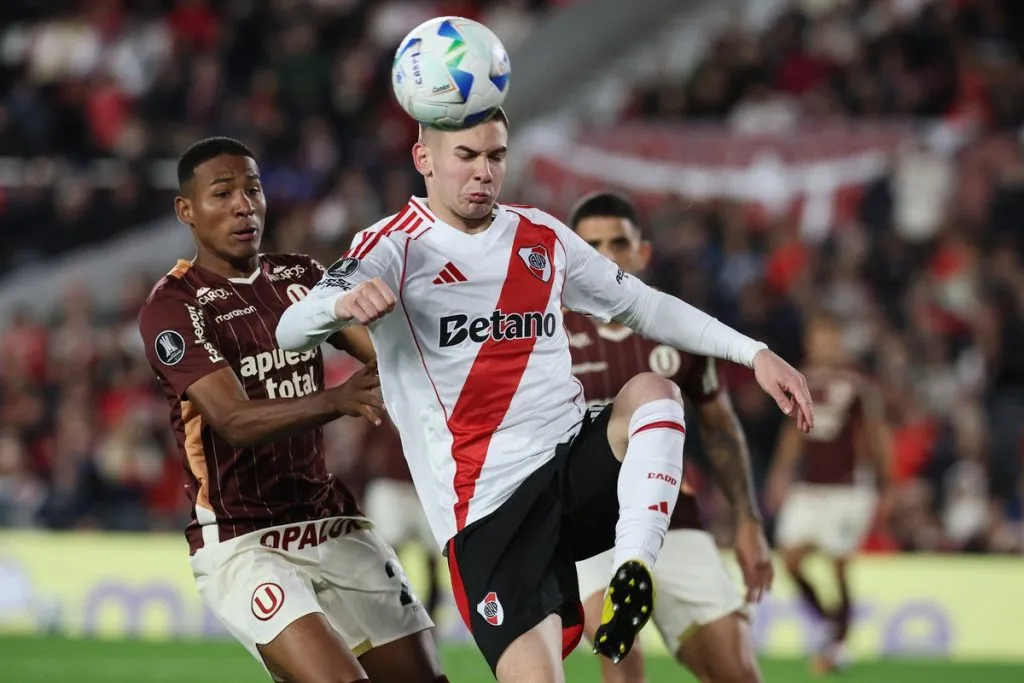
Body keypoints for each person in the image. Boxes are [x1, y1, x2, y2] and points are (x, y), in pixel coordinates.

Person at [276, 110, 813, 683]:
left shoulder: (542, 235)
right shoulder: (391, 246)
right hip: (488, 515)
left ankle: (632, 570)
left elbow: (644, 305)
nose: (484, 172)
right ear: (424, 159)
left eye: (496, 156)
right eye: (467, 156)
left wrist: (753, 352)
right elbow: (290, 329)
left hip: (569, 465)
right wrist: (338, 305)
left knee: (655, 393)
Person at [137, 137, 446, 683]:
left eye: (252, 189)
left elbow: (384, 356)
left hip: (330, 521)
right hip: (242, 540)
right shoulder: (173, 306)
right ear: (186, 210)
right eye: (223, 192)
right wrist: (336, 400)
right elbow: (231, 420)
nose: (243, 205)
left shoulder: (300, 275)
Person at [566, 191, 769, 683]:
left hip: (672, 515)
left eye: (620, 242)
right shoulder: (547, 334)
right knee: (619, 648)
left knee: (737, 671)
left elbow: (720, 427)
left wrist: (747, 520)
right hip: (586, 525)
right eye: (593, 245)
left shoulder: (677, 329)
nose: (607, 255)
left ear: (643, 253)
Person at [767, 312, 892, 675]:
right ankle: (829, 626)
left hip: (849, 487)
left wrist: (887, 485)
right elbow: (792, 433)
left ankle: (837, 645)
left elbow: (876, 434)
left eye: (830, 338)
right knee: (790, 559)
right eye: (818, 338)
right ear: (810, 342)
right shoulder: (798, 378)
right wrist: (780, 473)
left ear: (840, 342)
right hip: (809, 486)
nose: (824, 345)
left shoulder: (858, 385)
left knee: (838, 564)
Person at [356, 414, 444, 619]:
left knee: (433, 552)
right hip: (390, 484)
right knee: (388, 551)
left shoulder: (426, 402)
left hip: (423, 487)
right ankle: (397, 604)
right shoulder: (383, 407)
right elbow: (366, 450)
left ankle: (432, 610)